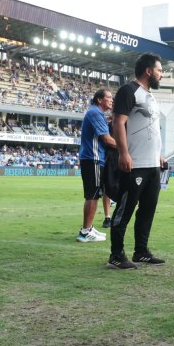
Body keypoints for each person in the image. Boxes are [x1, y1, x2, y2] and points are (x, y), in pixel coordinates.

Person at [107, 54, 167, 270]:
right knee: (125, 209)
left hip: (152, 165)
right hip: (135, 163)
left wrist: (158, 154)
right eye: (159, 70)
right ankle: (116, 255)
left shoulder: (150, 97)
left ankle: (141, 251)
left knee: (147, 210)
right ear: (148, 71)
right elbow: (118, 122)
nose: (162, 74)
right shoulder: (128, 91)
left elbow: (151, 129)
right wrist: (124, 153)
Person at [77, 89, 115, 243]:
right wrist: (126, 149)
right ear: (100, 100)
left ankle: (88, 228)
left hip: (92, 158)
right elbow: (106, 139)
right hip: (93, 158)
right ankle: (86, 232)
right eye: (109, 97)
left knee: (94, 194)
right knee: (92, 195)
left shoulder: (96, 114)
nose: (111, 100)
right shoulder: (95, 113)